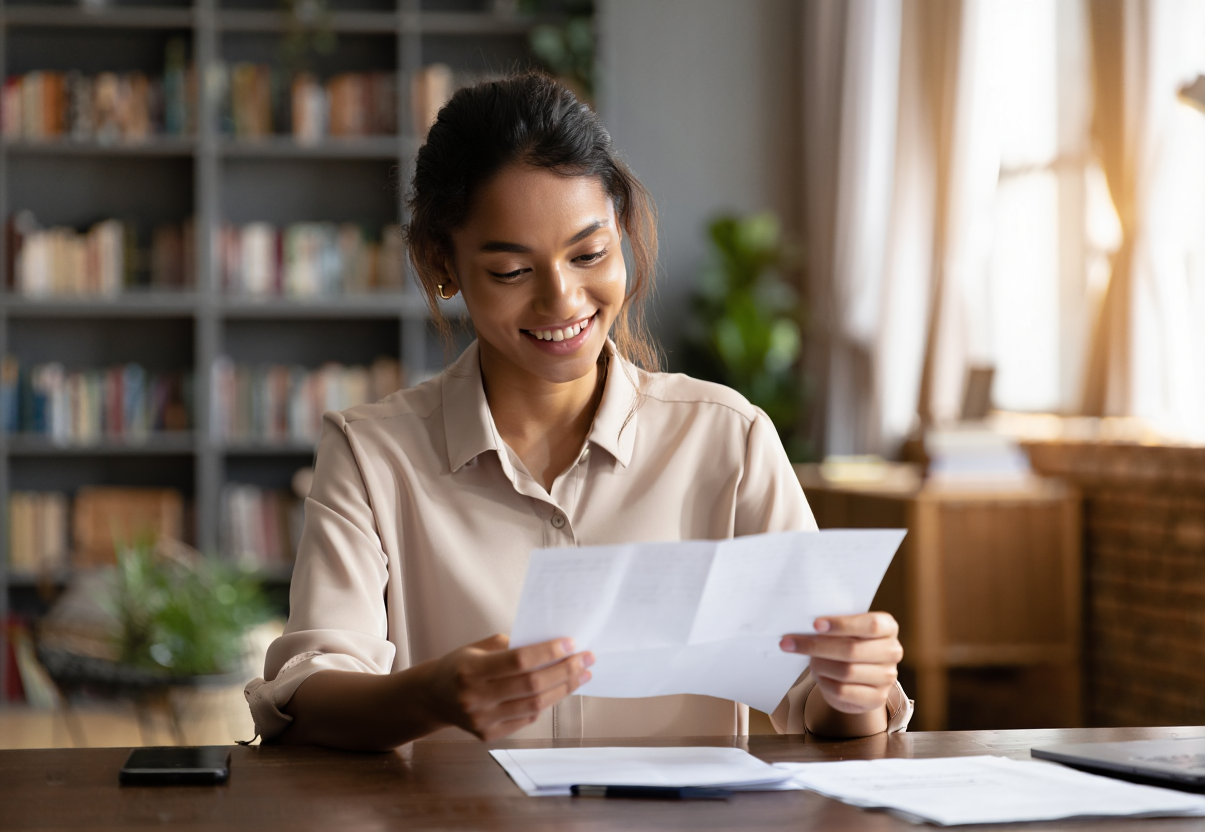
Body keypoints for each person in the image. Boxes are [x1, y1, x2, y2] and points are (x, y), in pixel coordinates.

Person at [244, 73, 911, 751]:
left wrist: (853, 688)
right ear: (442, 264)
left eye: (589, 253)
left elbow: (824, 710)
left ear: (620, 231)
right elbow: (311, 696)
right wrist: (434, 693)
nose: (562, 300)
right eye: (511, 272)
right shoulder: (370, 455)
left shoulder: (727, 441)